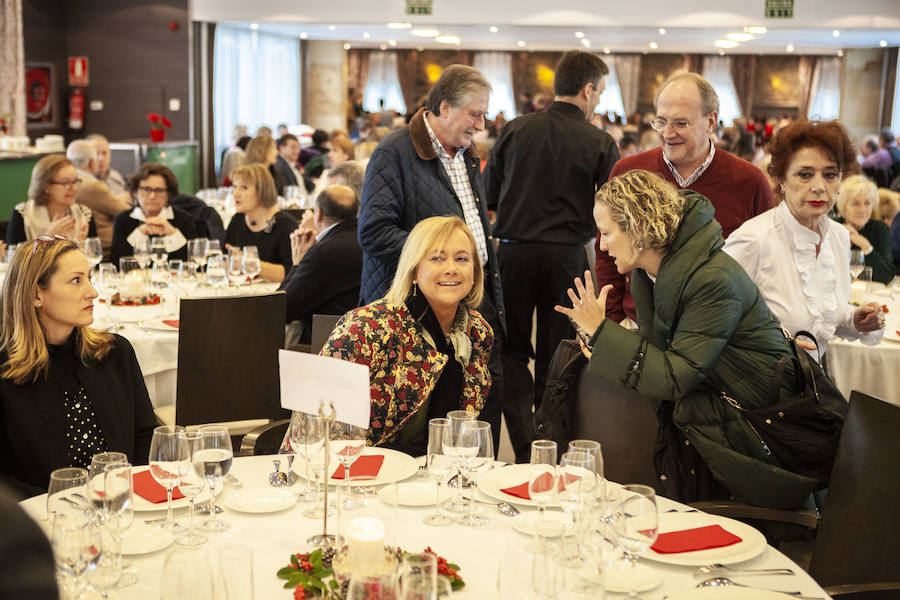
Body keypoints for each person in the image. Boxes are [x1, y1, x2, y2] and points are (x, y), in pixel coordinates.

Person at [557, 170, 816, 508]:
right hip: (715, 415)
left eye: (606, 233)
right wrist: (598, 338)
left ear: (636, 229)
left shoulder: (712, 280)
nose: (602, 246)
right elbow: (664, 354)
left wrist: (603, 333)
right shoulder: (649, 273)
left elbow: (676, 376)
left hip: (757, 433)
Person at [357, 64, 505, 452]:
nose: (481, 123)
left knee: (475, 407)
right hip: (412, 313)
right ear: (443, 107)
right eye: (475, 113)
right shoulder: (395, 151)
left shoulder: (465, 154)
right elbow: (373, 231)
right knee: (417, 426)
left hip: (466, 303)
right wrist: (437, 258)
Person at [484, 50, 619, 463]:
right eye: (599, 93)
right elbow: (613, 211)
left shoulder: (515, 129)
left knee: (510, 351)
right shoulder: (599, 141)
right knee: (557, 351)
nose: (597, 101)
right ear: (588, 89)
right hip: (565, 255)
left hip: (513, 254)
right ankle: (547, 445)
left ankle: (524, 445)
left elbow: (489, 194)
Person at [279, 216, 493, 455]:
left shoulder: (478, 332)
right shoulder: (367, 329)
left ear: (475, 270)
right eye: (437, 258)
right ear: (413, 270)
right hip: (361, 473)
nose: (451, 268)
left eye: (462, 258)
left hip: (440, 475)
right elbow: (311, 429)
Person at [595, 72, 773, 324]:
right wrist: (613, 319)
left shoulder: (749, 180)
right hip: (640, 323)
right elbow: (605, 253)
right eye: (661, 121)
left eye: (680, 123)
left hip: (717, 328)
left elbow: (768, 260)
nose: (668, 133)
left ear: (711, 121)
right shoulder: (628, 172)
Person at [0, 237, 156, 498]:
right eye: (76, 280)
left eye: (89, 277)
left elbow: (145, 435)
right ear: (36, 294)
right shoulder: (6, 373)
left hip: (122, 509)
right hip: (42, 522)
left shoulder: (115, 353)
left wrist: (130, 496)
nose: (92, 292)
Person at [724, 120, 884, 359]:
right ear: (781, 179)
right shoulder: (754, 239)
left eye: (830, 175)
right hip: (759, 386)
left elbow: (823, 319)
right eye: (805, 175)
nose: (819, 187)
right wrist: (776, 342)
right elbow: (711, 322)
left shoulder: (838, 236)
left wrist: (856, 320)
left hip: (812, 386)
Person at [279, 185, 362, 345]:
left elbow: (283, 309)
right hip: (362, 339)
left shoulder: (324, 252)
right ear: (357, 210)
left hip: (327, 345)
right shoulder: (366, 240)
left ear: (318, 213)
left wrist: (297, 263)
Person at [109, 163, 199, 265]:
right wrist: (140, 232)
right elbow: (116, 263)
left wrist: (172, 233)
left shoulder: (184, 219)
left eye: (159, 190)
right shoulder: (123, 219)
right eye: (146, 189)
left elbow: (191, 263)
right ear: (135, 192)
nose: (152, 196)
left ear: (168, 194)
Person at [225, 164, 296, 282]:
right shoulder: (237, 220)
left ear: (262, 191)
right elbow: (226, 260)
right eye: (234, 187)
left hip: (275, 297)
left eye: (244, 188)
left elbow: (294, 273)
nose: (235, 194)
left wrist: (254, 264)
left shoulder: (284, 225)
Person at [7, 155, 97, 247]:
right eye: (65, 182)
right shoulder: (23, 214)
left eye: (75, 181)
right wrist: (47, 239)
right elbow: (14, 259)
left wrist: (80, 246)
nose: (73, 188)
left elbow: (95, 256)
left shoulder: (84, 215)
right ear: (46, 186)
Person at [66, 139, 131, 255]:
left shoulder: (72, 182)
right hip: (106, 249)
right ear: (92, 162)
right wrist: (119, 199)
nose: (101, 159)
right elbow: (127, 214)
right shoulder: (92, 186)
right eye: (97, 156)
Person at [835, 175, 893, 284]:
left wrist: (866, 246)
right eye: (855, 203)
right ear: (844, 206)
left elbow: (887, 277)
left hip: (869, 295)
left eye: (867, 203)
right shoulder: (834, 227)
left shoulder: (880, 229)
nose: (862, 209)